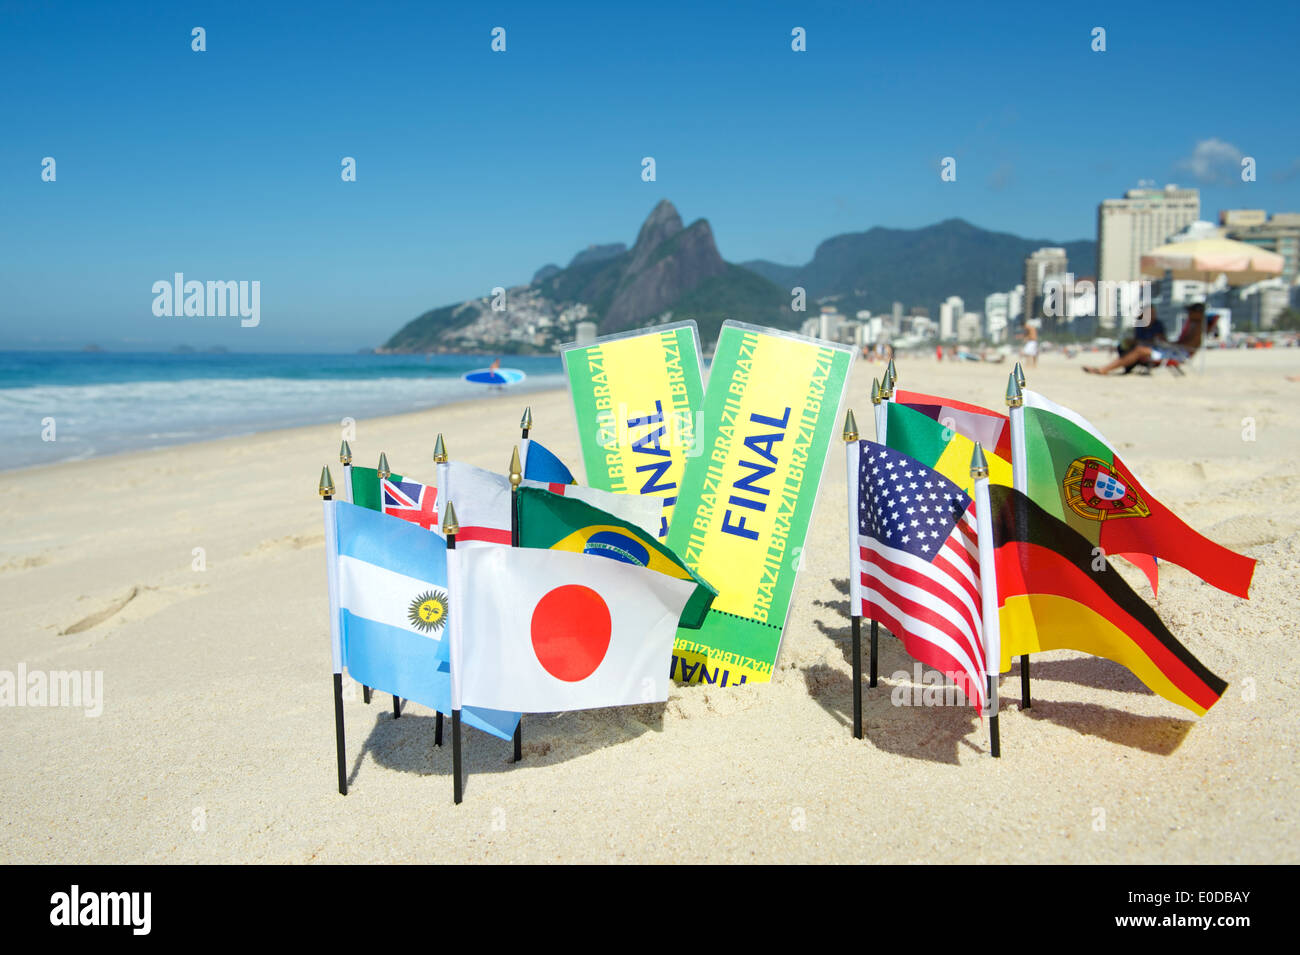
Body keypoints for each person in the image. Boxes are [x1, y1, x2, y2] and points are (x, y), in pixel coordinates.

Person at [1083, 304, 1205, 375]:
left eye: (1190, 311)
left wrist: (1168, 343)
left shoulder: (1198, 326)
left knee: (1140, 350)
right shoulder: (1193, 325)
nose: (1188, 313)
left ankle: (1104, 369)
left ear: (1198, 313)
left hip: (1178, 353)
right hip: (1174, 350)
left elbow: (1189, 346)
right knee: (1130, 345)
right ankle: (1116, 368)